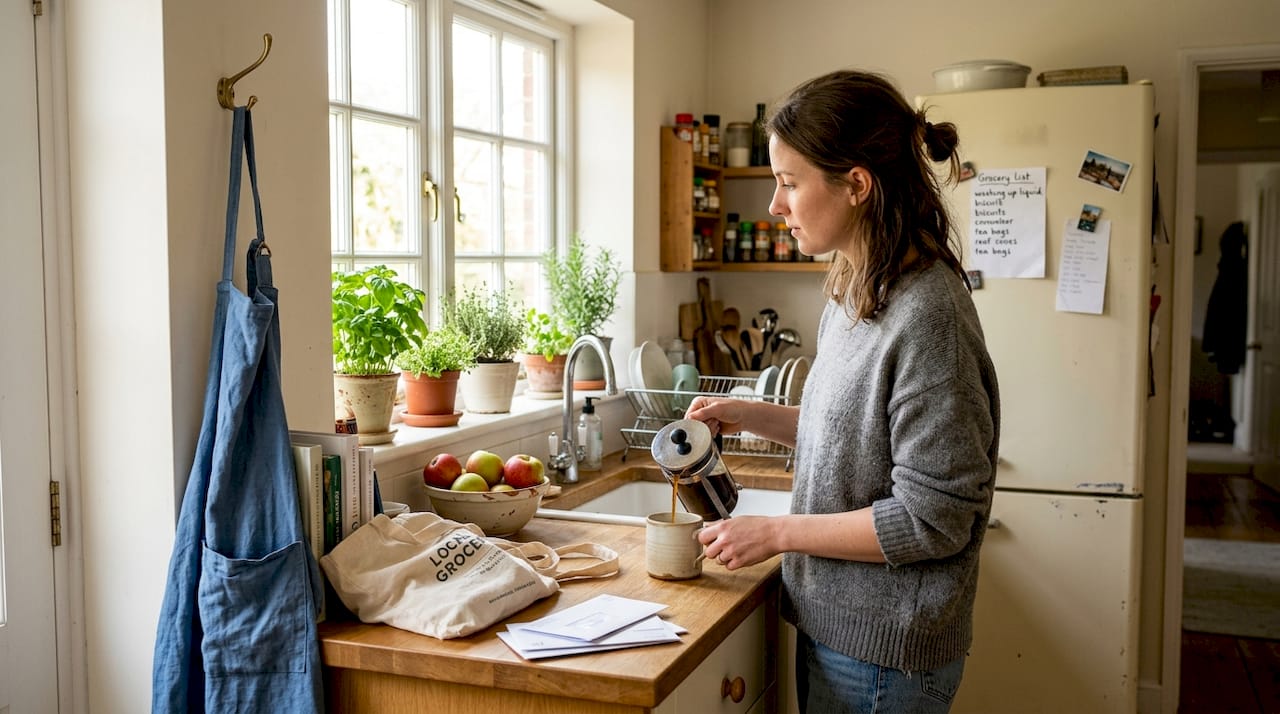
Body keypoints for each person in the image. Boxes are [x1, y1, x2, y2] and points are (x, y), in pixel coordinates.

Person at [685, 70, 1000, 714]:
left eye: (789, 182)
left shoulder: (928, 315)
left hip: (885, 658)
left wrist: (776, 532)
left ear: (856, 185)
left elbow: (931, 519)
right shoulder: (856, 288)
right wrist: (749, 414)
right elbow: (854, 432)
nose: (775, 205)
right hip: (840, 630)